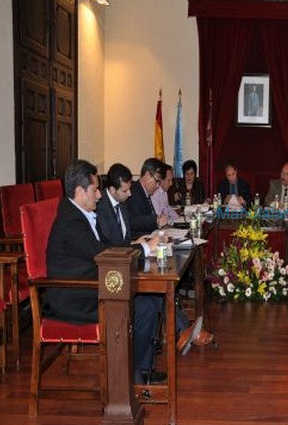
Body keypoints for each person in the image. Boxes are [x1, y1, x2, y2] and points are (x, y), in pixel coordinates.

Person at [46, 160, 165, 385]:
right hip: (75, 296)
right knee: (145, 308)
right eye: (95, 190)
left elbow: (105, 246)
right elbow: (102, 254)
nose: (100, 196)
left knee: (152, 299)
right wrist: (144, 249)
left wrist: (135, 244)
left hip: (91, 284)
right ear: (80, 192)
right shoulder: (71, 222)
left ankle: (141, 368)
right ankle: (129, 376)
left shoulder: (79, 213)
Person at [97, 163, 212, 353]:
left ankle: (180, 331)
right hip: (115, 271)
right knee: (155, 293)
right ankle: (181, 330)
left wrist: (138, 241)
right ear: (112, 189)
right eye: (125, 190)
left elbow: (125, 235)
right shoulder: (103, 208)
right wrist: (142, 245)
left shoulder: (120, 202)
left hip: (128, 257)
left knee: (159, 290)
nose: (130, 194)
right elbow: (112, 247)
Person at [125, 158, 169, 239]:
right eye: (157, 181)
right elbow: (133, 222)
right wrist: (156, 221)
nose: (158, 186)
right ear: (147, 175)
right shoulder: (133, 192)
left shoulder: (144, 192)